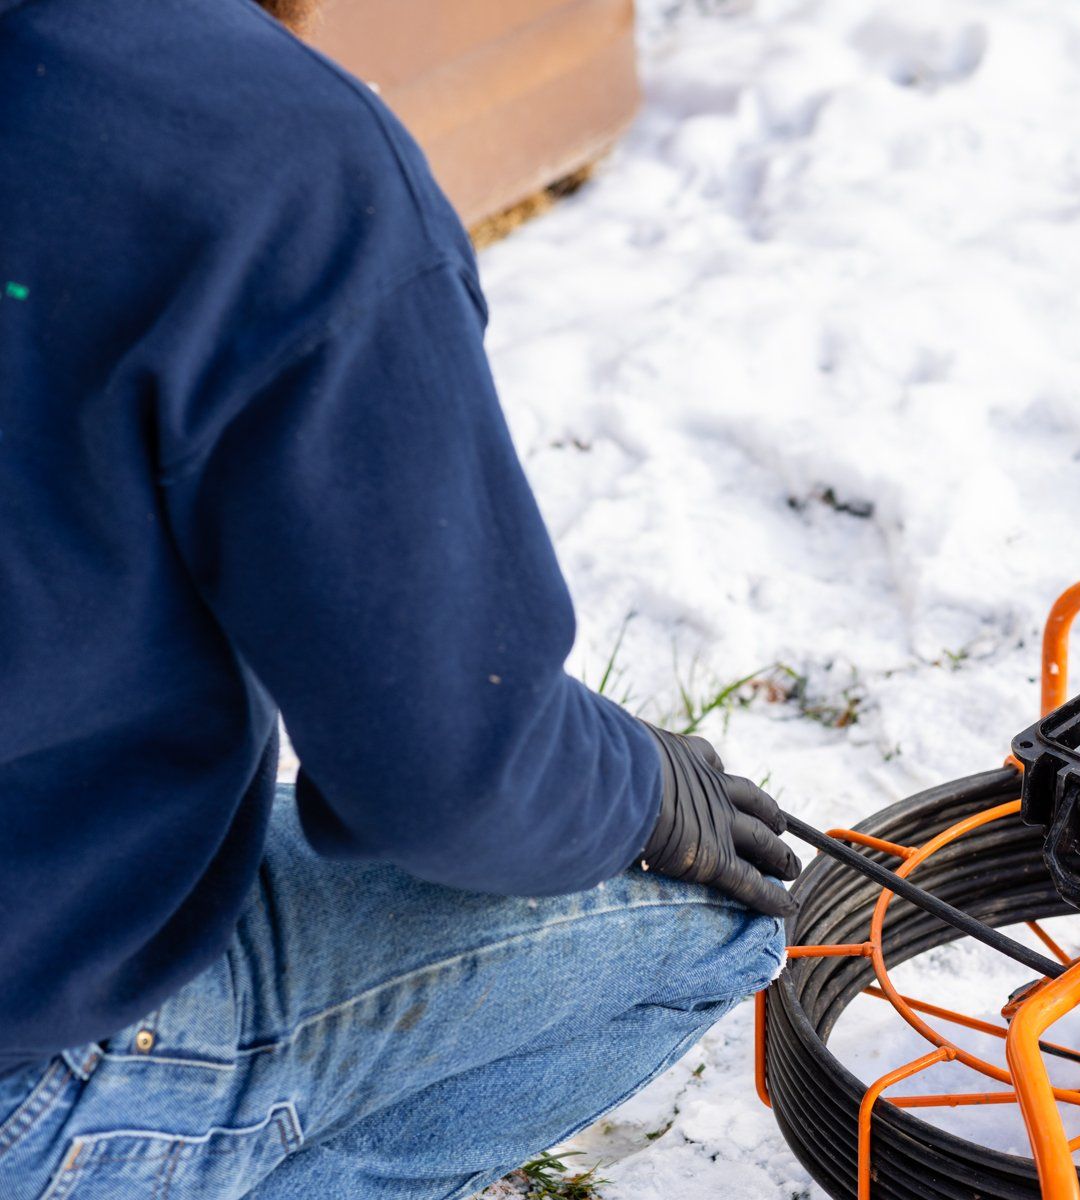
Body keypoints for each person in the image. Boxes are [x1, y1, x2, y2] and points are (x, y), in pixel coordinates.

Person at [0, 1, 798, 1196]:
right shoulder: (255, 152)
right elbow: (453, 778)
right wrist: (637, 789)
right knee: (710, 928)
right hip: (24, 1055)